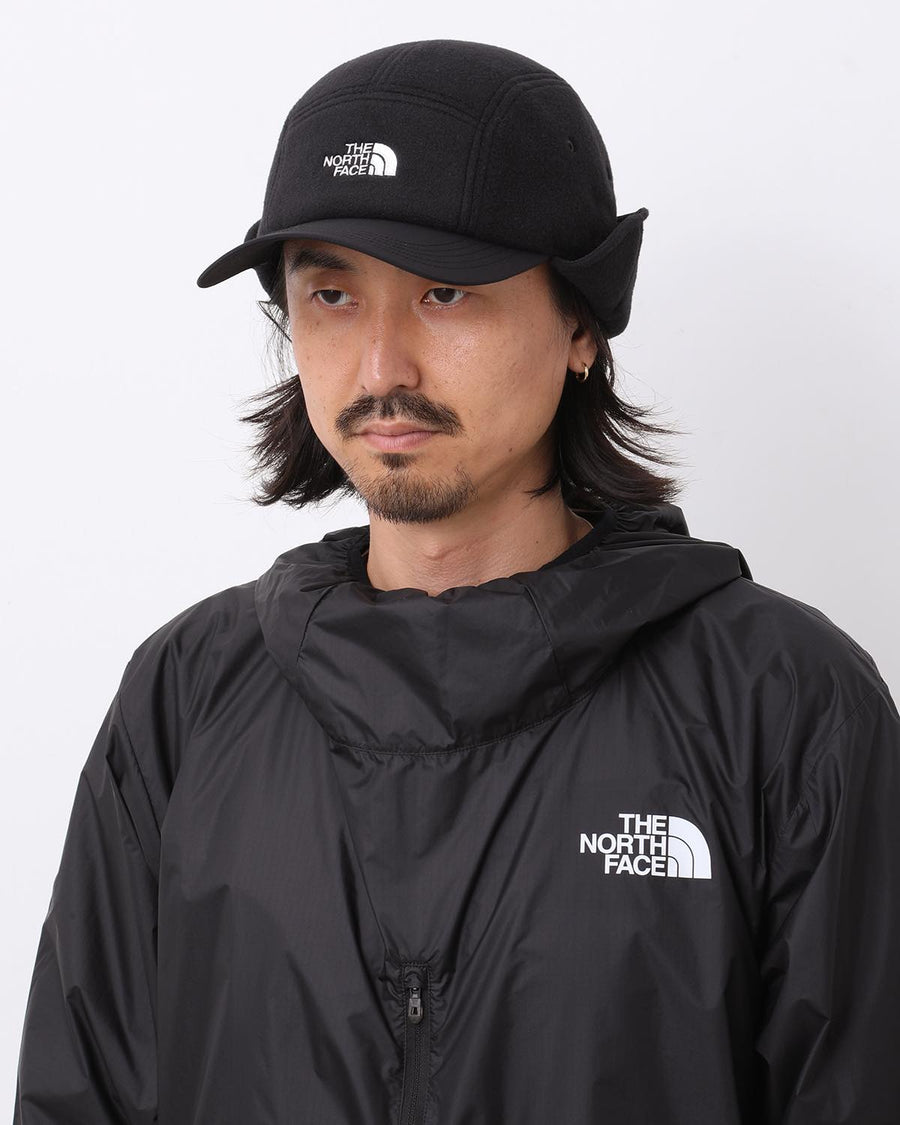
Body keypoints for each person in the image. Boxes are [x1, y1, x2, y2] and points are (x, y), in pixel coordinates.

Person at [12, 38, 900, 1125]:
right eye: (331, 294)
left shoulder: (783, 706)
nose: (381, 365)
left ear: (582, 321)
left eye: (443, 291)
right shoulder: (186, 698)